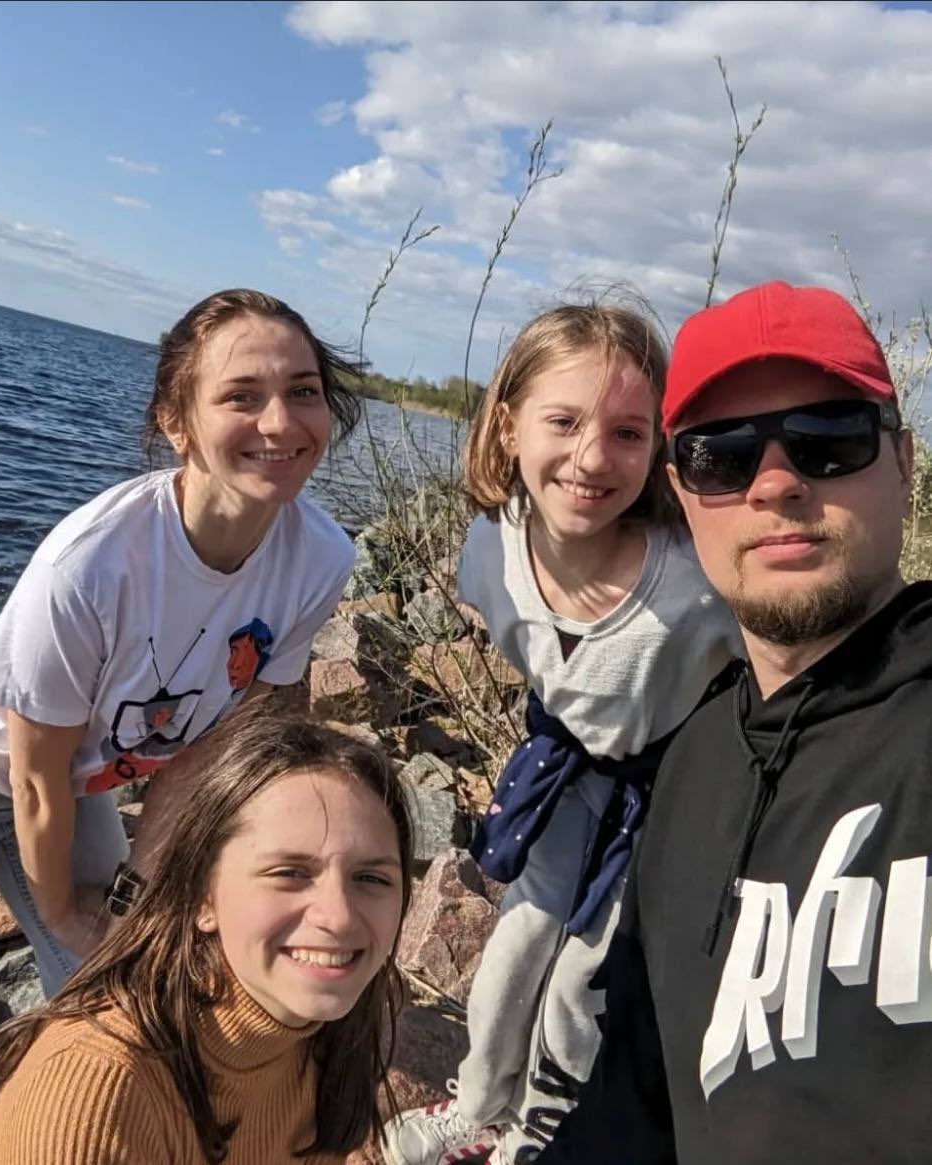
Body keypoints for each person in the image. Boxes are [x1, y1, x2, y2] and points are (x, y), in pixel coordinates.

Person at [0, 289, 361, 1163]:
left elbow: (227, 743)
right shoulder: (95, 561)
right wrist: (67, 911)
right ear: (177, 420)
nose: (280, 421)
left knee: (127, 997)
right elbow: (31, 777)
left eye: (305, 390)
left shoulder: (319, 555)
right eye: (241, 394)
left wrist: (138, 891)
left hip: (81, 781)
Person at [545, 280, 932, 1164]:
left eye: (829, 439)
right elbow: (632, 1103)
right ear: (681, 490)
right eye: (721, 455)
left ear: (904, 460)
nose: (777, 483)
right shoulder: (689, 767)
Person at [383, 299, 742, 1165]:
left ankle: (543, 1132)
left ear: (660, 445)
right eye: (564, 420)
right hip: (566, 770)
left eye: (628, 431)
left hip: (666, 789)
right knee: (518, 938)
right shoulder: (489, 548)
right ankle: (478, 1101)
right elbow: (544, 667)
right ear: (507, 427)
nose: (591, 457)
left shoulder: (695, 585)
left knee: (589, 974)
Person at [0, 708, 413, 1165]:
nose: (340, 916)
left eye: (372, 879)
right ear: (202, 898)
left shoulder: (320, 1035)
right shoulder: (98, 1086)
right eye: (289, 872)